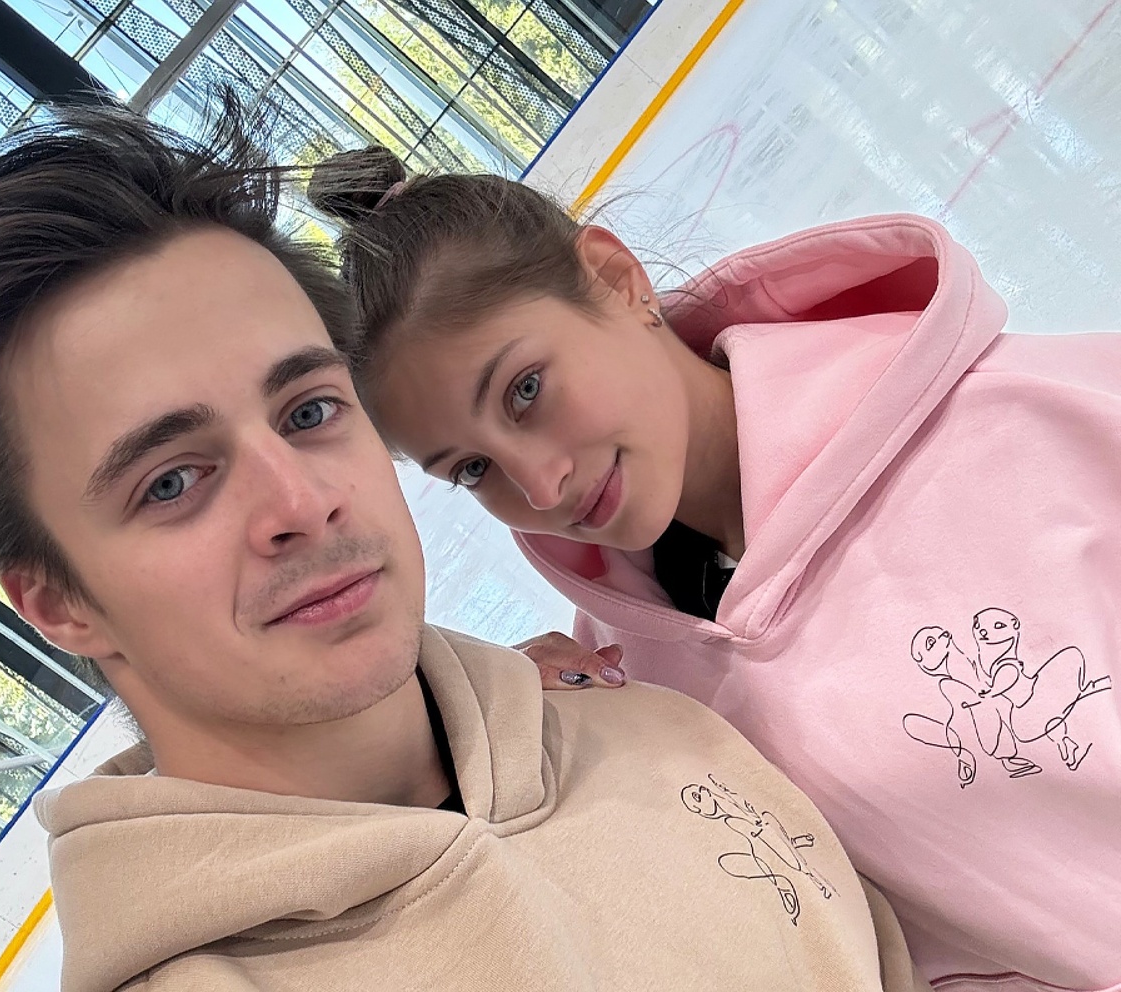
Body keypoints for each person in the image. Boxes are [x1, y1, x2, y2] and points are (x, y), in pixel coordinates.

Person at [0, 100, 928, 992]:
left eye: (310, 410)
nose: (302, 502)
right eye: (172, 481)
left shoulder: (654, 726)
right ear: (58, 604)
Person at [305, 146, 1121, 992]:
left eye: (525, 391)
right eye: (473, 469)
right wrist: (569, 756)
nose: (540, 485)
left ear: (617, 279)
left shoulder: (1037, 422)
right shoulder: (637, 677)